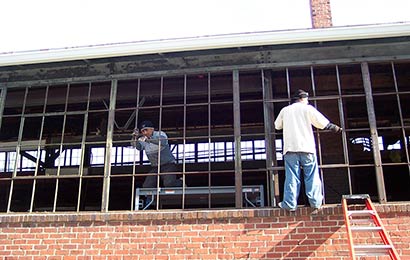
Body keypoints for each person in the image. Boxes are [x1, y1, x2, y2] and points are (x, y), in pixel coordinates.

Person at [274, 89, 342, 211]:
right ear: (303, 98)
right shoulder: (307, 108)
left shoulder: (285, 110)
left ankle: (289, 204)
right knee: (311, 176)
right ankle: (315, 202)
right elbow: (321, 123)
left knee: (292, 176)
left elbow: (277, 125)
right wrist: (334, 127)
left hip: (290, 148)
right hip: (307, 148)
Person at [131, 120, 182, 188]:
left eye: (146, 130)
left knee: (169, 183)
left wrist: (148, 140)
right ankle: (150, 198)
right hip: (155, 167)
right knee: (147, 186)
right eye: (142, 131)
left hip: (168, 164)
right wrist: (134, 138)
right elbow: (139, 147)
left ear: (152, 129)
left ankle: (181, 182)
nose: (144, 133)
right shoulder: (143, 139)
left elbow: (163, 142)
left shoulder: (160, 134)